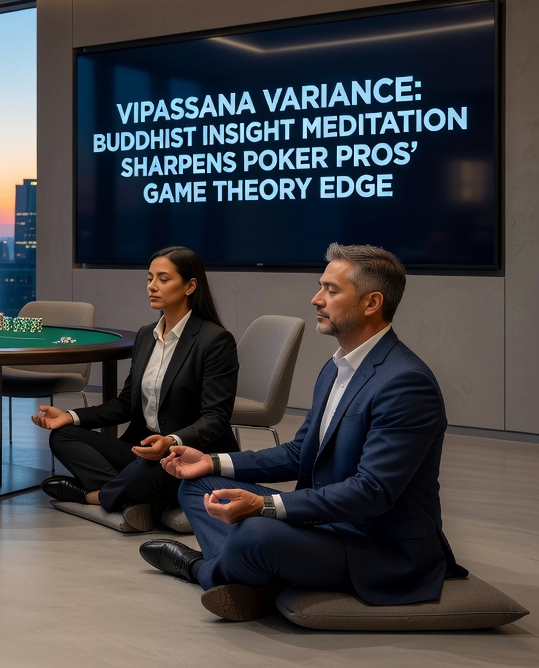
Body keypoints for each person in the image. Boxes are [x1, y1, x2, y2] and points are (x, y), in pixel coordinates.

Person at [141, 243, 464, 621]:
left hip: (376, 547)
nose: (316, 299)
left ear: (371, 303)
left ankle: (201, 569)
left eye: (331, 290)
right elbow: (299, 454)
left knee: (256, 534)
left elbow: (372, 492)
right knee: (196, 484)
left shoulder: (406, 383)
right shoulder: (336, 367)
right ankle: (252, 574)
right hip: (324, 524)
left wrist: (264, 506)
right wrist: (212, 460)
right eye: (320, 287)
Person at [32, 246, 239, 532]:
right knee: (63, 436)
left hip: (187, 454)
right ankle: (136, 497)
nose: (152, 286)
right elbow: (125, 403)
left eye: (163, 279)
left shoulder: (215, 340)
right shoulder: (146, 335)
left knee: (152, 468)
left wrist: (172, 441)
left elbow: (215, 419)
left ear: (191, 285)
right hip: (144, 448)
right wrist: (70, 416)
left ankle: (94, 496)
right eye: (150, 278)